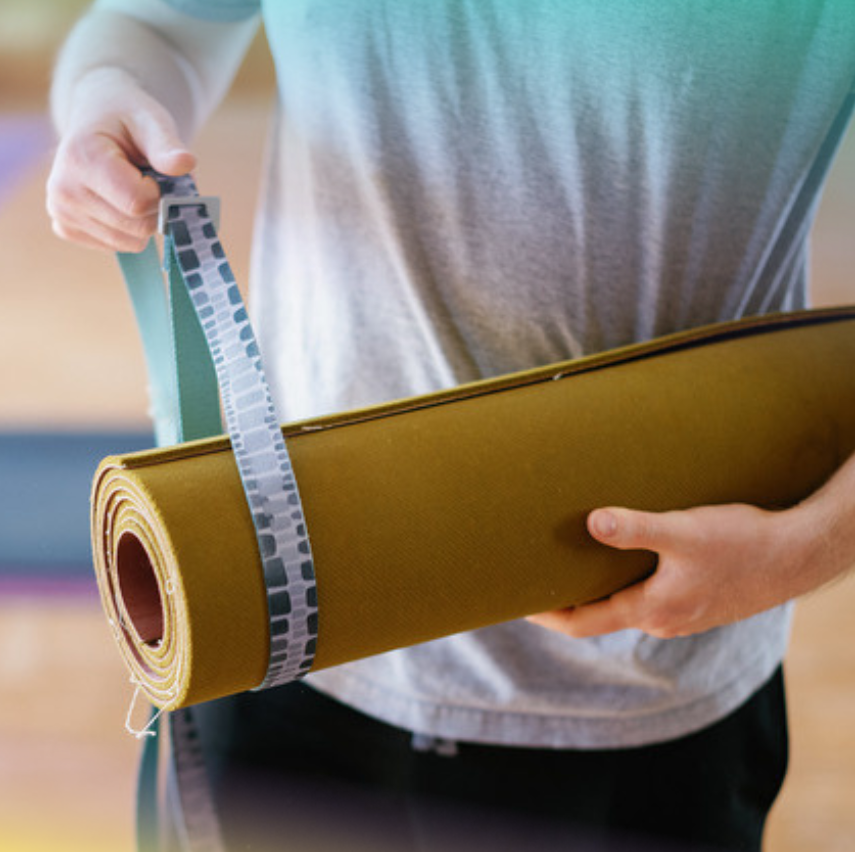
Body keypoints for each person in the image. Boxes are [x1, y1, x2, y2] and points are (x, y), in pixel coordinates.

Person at [48, 1, 855, 850]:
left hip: (636, 701)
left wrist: (813, 543)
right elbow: (160, 26)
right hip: (272, 618)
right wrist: (105, 103)